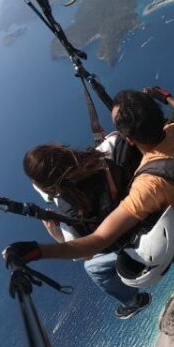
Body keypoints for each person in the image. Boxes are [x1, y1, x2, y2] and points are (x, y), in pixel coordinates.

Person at [4, 87, 174, 316]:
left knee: (94, 268)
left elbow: (95, 244)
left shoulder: (150, 186)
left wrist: (38, 250)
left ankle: (132, 301)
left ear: (131, 139)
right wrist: (166, 97)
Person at [23, 133, 147, 319]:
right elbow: (117, 138)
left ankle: (132, 301)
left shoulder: (69, 211)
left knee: (92, 267)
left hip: (131, 238)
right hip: (145, 210)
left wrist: (56, 234)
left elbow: (84, 252)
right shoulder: (100, 155)